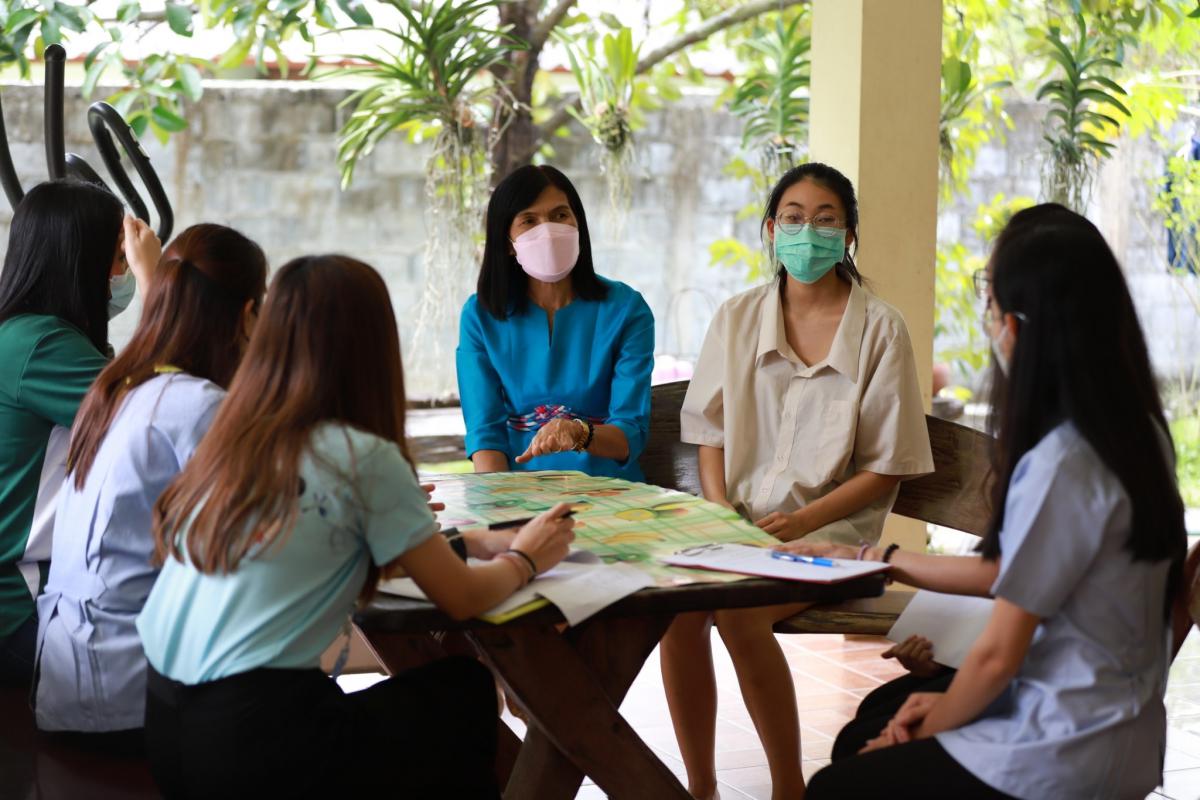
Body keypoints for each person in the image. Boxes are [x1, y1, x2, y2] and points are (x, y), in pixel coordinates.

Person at [136, 255, 576, 799]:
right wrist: (526, 557)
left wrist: (470, 542)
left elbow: (309, 550)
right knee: (464, 691)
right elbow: (461, 598)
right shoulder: (360, 456)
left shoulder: (237, 439)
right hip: (253, 745)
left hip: (167, 728)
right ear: (373, 348)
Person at [790, 204, 1187, 800]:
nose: (989, 321)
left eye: (991, 302)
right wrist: (881, 559)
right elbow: (1013, 573)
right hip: (1121, 732)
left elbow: (999, 654)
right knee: (876, 719)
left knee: (838, 783)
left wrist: (921, 730)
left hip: (1060, 747)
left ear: (1020, 331)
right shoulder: (1138, 435)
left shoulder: (1063, 462)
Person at [662, 163, 934, 800]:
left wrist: (803, 523)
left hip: (831, 537)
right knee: (676, 610)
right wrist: (718, 509)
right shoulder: (737, 317)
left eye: (825, 219)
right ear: (770, 229)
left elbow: (886, 465)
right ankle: (700, 788)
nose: (807, 231)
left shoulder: (881, 329)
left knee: (741, 616)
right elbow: (709, 431)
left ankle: (788, 788)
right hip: (736, 527)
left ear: (848, 236)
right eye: (793, 217)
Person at [33, 225, 267, 749]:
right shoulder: (198, 405)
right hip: (124, 703)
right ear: (248, 314)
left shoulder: (116, 388)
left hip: (67, 683)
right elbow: (255, 548)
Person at [0, 180, 158, 685]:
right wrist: (156, 287)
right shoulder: (40, 344)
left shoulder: (27, 334)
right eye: (119, 258)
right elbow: (163, 418)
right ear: (81, 262)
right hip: (18, 604)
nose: (123, 274)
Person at [457, 165, 654, 478]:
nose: (548, 231)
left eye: (560, 215)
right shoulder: (480, 316)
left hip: (610, 490)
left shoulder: (627, 310)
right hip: (516, 492)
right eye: (529, 221)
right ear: (507, 242)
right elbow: (485, 434)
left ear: (578, 225)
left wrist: (578, 433)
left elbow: (630, 432)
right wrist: (500, 502)